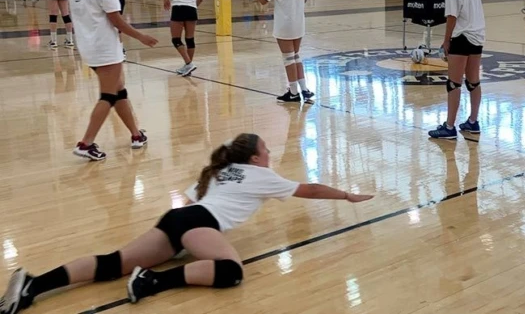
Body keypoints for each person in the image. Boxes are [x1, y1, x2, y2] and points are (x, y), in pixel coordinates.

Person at [0, 133, 374, 314]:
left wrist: (180, 242)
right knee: (231, 271)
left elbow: (192, 203)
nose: (270, 153)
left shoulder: (220, 170)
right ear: (255, 158)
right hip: (199, 224)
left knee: (113, 262)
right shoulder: (263, 175)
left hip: (178, 219)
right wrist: (346, 196)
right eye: (266, 150)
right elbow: (309, 189)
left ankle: (33, 284)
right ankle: (152, 280)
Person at [65, 0, 157, 161]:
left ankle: (136, 134)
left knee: (119, 91)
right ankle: (86, 143)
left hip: (88, 46)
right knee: (108, 96)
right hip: (105, 47)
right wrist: (141, 37)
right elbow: (117, 21)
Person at [428, 0, 485, 139]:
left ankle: (449, 127)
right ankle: (473, 122)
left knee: (453, 83)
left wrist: (446, 41)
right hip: (477, 36)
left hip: (462, 37)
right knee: (473, 81)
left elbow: (452, 16)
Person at [246, 0, 313, 103]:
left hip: (284, 24)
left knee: (288, 58)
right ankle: (304, 89)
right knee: (296, 56)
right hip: (299, 22)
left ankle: (294, 92)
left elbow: (263, 0)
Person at [163, 0, 206, 77]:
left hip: (178, 8)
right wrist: (193, 6)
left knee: (176, 39)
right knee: (190, 39)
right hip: (191, 9)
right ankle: (188, 66)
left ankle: (188, 63)